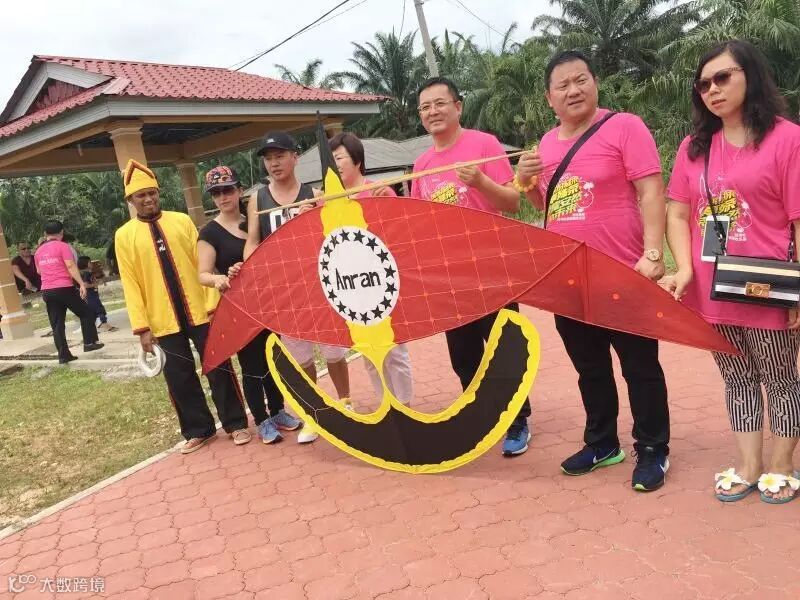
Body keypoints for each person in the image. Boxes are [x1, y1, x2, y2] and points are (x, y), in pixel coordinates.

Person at [517, 50, 670, 491]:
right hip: (569, 277)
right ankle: (602, 443)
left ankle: (653, 448)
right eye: (562, 85)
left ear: (595, 82)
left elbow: (651, 190)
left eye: (580, 80)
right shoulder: (546, 145)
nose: (573, 90)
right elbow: (549, 206)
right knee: (590, 367)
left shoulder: (625, 127)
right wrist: (526, 180)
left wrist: (654, 253)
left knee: (639, 365)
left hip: (623, 271)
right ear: (549, 98)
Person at [664, 40, 800, 503]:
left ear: (750, 75)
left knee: (780, 378)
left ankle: (782, 465)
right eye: (703, 84)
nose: (713, 90)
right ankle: (748, 464)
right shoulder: (694, 148)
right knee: (737, 377)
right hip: (712, 286)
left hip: (769, 284)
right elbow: (678, 212)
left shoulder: (786, 139)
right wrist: (684, 268)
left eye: (723, 77)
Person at [410, 76, 532, 456]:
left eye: (440, 103)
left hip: (491, 269)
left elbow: (512, 202)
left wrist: (480, 181)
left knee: (501, 346)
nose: (433, 111)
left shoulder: (484, 145)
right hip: (448, 278)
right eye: (425, 107)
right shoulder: (421, 164)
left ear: (458, 106)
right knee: (463, 356)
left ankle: (517, 419)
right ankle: (481, 416)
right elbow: (419, 225)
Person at [115, 159, 251, 454]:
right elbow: (130, 283)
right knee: (179, 376)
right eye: (141, 195)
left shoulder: (181, 221)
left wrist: (213, 305)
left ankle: (235, 423)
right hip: (162, 318)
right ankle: (198, 429)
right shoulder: (124, 236)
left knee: (218, 366)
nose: (148, 199)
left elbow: (202, 263)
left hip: (200, 310)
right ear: (131, 200)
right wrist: (142, 328)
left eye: (152, 193)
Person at [238, 131, 352, 443]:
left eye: (280, 156)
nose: (274, 163)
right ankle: (315, 412)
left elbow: (333, 234)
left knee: (332, 349)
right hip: (283, 291)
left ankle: (345, 402)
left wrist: (313, 217)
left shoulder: (314, 194)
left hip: (317, 285)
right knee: (300, 356)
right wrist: (253, 268)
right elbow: (252, 242)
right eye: (268, 159)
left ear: (295, 157)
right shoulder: (258, 200)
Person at [198, 165, 302, 444]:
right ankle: (262, 419)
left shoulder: (256, 220)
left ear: (239, 190)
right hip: (240, 309)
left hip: (268, 302)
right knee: (252, 365)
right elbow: (202, 274)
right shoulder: (210, 232)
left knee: (274, 359)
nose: (223, 197)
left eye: (228, 190)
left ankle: (278, 410)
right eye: (216, 193)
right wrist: (220, 278)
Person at [329, 132, 414, 407]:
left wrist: (389, 201)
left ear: (356, 160)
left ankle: (405, 405)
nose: (334, 164)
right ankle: (387, 405)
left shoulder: (377, 190)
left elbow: (400, 231)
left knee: (394, 350)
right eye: (330, 160)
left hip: (382, 285)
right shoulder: (329, 201)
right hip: (352, 289)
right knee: (368, 353)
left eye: (339, 158)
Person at [34, 220, 104, 364]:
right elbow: (71, 266)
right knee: (86, 313)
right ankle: (89, 343)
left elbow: (39, 271)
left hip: (47, 290)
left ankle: (63, 355)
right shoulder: (63, 246)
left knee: (57, 324)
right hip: (64, 288)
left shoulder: (38, 251)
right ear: (61, 232)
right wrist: (81, 284)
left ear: (45, 234)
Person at [77, 256, 117, 332]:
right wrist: (94, 285)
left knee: (93, 312)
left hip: (92, 295)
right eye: (89, 262)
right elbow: (85, 285)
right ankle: (104, 323)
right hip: (91, 295)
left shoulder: (86, 273)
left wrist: (97, 282)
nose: (91, 264)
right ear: (85, 264)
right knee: (99, 309)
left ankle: (93, 327)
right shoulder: (86, 274)